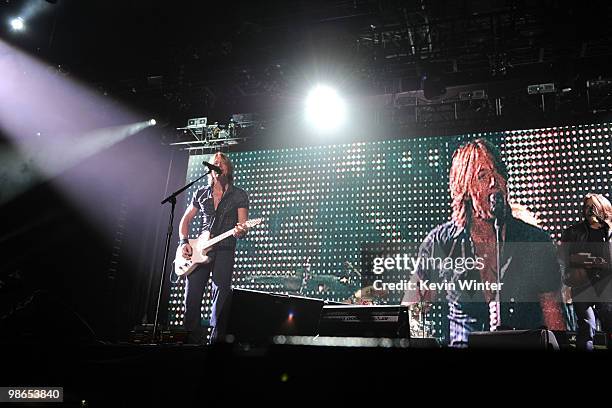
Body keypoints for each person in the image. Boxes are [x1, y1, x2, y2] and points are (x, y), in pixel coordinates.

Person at [401, 138, 565, 347]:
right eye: (482, 176)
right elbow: (411, 310)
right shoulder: (441, 242)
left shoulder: (535, 241)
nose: (493, 182)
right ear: (465, 188)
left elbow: (553, 315)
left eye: (497, 172)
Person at [178, 152, 249, 344]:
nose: (219, 166)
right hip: (199, 249)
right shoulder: (201, 192)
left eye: (222, 164)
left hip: (225, 248)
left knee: (221, 295)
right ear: (210, 169)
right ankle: (190, 339)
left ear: (228, 169)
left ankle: (216, 341)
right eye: (215, 163)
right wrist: (184, 242)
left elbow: (243, 226)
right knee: (192, 296)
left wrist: (240, 231)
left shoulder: (239, 195)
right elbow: (185, 219)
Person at [559, 193, 612, 350]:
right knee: (586, 329)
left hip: (606, 287)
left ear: (603, 208)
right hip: (583, 285)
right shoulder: (573, 232)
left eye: (593, 206)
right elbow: (563, 257)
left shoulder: (609, 231)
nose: (590, 210)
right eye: (587, 207)